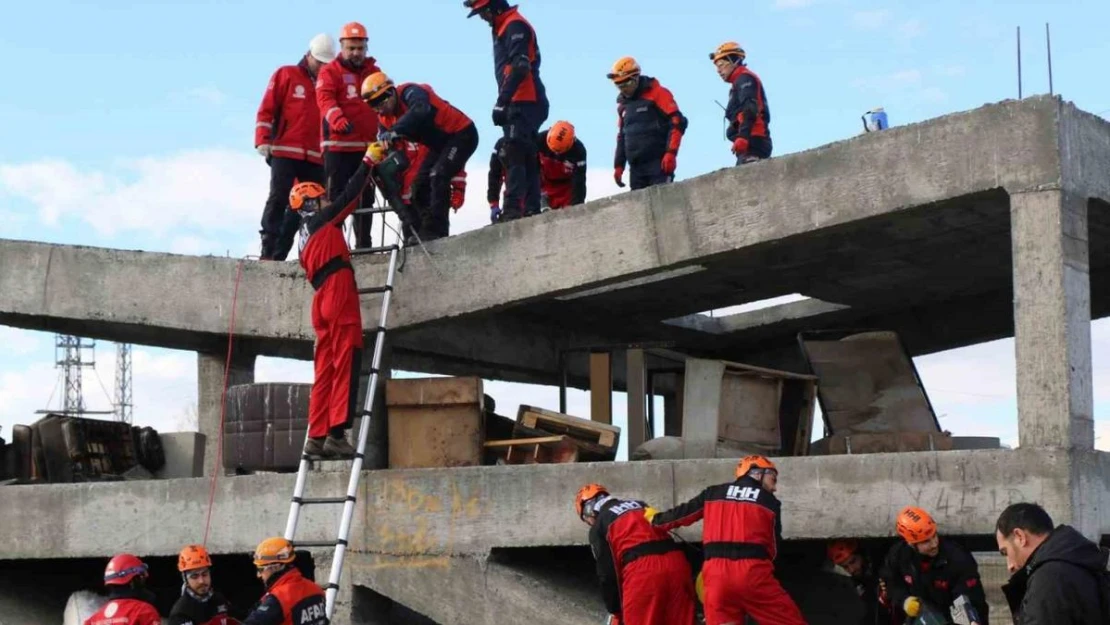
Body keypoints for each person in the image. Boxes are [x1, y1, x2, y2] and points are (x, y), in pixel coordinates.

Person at [287, 144, 381, 458]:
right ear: (312, 203)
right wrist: (368, 160)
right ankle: (337, 435)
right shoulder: (323, 221)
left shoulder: (302, 238)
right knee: (347, 359)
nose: (327, 200)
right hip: (338, 292)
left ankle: (315, 437)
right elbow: (350, 196)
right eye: (321, 198)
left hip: (321, 300)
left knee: (325, 369)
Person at [649, 455, 806, 625]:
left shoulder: (712, 493)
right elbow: (773, 549)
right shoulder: (769, 502)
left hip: (716, 577)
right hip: (753, 574)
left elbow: (680, 515)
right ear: (757, 473)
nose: (774, 488)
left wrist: (655, 520)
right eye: (773, 479)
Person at [360, 72, 478, 242]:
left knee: (438, 174)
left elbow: (421, 109)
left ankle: (437, 230)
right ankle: (426, 230)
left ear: (390, 93)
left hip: (461, 134)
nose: (378, 109)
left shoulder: (410, 92)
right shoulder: (385, 120)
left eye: (380, 102)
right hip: (440, 145)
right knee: (419, 185)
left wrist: (395, 131)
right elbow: (384, 140)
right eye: (372, 105)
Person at [464, 0, 549, 221]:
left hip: (524, 99)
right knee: (527, 154)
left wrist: (502, 101)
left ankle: (513, 210)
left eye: (483, 12)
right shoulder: (504, 26)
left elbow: (521, 66)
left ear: (494, 7)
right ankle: (531, 208)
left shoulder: (514, 25)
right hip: (524, 99)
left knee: (515, 151)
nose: (482, 17)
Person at [254, 34, 335, 262]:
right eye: (319, 62)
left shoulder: (329, 84)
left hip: (316, 156)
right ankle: (268, 252)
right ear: (309, 55)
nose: (321, 67)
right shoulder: (286, 74)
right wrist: (263, 138)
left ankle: (290, 253)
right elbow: (267, 108)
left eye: (326, 64)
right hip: (285, 150)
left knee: (311, 206)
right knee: (279, 198)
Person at [576, 483, 697, 625]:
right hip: (678, 565)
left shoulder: (599, 526)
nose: (589, 523)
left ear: (588, 510)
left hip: (643, 572)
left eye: (586, 519)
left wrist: (615, 610)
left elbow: (608, 574)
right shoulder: (639, 504)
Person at [316, 21, 381, 250]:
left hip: (366, 147)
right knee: (337, 200)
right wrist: (338, 120)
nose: (355, 53)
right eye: (351, 48)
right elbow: (325, 99)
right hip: (338, 147)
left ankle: (363, 246)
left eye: (360, 48)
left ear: (366, 48)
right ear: (342, 47)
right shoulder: (330, 71)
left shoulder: (374, 72)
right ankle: (334, 246)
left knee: (366, 198)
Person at [996, 502, 1110, 625]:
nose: (1010, 566)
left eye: (1005, 552)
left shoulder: (1049, 578)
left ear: (1020, 536)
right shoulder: (1075, 563)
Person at [879, 506, 989, 625]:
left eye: (934, 536)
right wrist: (904, 601)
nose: (934, 544)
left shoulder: (957, 558)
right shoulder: (899, 555)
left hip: (953, 617)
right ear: (911, 543)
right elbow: (891, 582)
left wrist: (970, 619)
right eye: (926, 541)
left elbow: (967, 595)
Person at [608, 57, 688, 191]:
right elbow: (622, 136)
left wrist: (671, 153)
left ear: (635, 78)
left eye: (625, 84)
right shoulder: (623, 106)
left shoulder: (658, 93)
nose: (623, 89)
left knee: (662, 202)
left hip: (658, 163)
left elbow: (677, 122)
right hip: (636, 168)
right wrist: (619, 165)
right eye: (618, 86)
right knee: (639, 208)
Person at [489, 121, 586, 217]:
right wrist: (494, 203)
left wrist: (577, 208)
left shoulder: (579, 152)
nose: (555, 154)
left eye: (559, 151)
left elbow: (579, 182)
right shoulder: (537, 141)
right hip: (542, 184)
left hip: (564, 189)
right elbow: (496, 175)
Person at [709, 42, 771, 164]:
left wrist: (743, 136)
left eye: (721, 65)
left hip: (753, 141)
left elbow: (749, 108)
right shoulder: (738, 83)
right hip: (749, 142)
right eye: (716, 66)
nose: (718, 70)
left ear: (734, 61)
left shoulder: (745, 78)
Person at [241, 538, 327, 625]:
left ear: (275, 567)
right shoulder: (317, 590)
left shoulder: (279, 598)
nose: (258, 575)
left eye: (260, 569)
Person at [169, 544, 239, 625]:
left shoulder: (219, 600)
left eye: (204, 574)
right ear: (185, 579)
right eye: (194, 576)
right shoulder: (181, 613)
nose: (201, 581)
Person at [84, 554, 161, 625]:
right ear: (132, 581)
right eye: (141, 576)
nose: (146, 577)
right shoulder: (144, 612)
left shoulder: (93, 620)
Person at [827, 539, 891, 625]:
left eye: (853, 562)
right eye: (845, 567)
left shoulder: (884, 567)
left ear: (862, 555)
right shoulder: (858, 581)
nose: (851, 570)